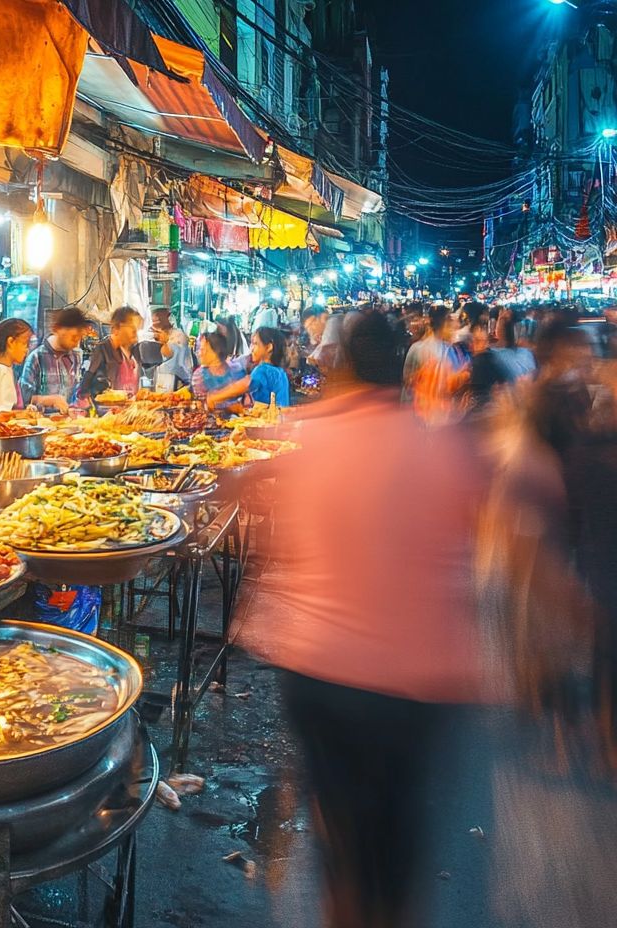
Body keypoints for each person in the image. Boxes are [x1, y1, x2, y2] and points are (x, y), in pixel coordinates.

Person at [239, 312, 490, 928]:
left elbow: (266, 529)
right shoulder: (448, 451)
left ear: (342, 365)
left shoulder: (305, 441)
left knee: (342, 836)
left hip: (321, 671)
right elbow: (473, 551)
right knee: (397, 832)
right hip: (419, 681)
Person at [0, 317, 67, 420]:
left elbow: (10, 408)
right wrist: (22, 414)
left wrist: (27, 410)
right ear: (11, 342)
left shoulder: (7, 370)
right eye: (25, 344)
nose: (26, 350)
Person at [18, 306, 90, 410]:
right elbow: (23, 398)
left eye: (79, 338)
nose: (76, 343)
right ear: (56, 329)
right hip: (43, 423)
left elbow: (76, 392)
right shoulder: (36, 358)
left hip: (70, 422)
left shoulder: (76, 356)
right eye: (74, 337)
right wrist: (49, 400)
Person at [204, 326, 291, 409]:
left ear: (269, 347)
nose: (251, 348)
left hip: (270, 422)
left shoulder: (263, 370)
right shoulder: (281, 372)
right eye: (251, 344)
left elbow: (244, 385)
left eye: (255, 344)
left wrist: (214, 397)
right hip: (283, 420)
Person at [81, 306, 142, 399]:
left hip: (130, 410)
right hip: (107, 411)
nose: (135, 334)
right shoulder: (102, 350)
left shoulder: (133, 351)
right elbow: (86, 385)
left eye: (137, 329)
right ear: (116, 328)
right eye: (132, 329)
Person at [148, 309, 195, 391]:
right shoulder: (157, 338)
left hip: (179, 382)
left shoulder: (178, 336)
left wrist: (164, 341)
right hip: (162, 381)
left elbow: (169, 354)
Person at [191, 330, 244, 397]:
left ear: (216, 351)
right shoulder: (199, 376)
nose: (199, 354)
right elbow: (204, 403)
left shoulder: (237, 370)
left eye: (203, 349)